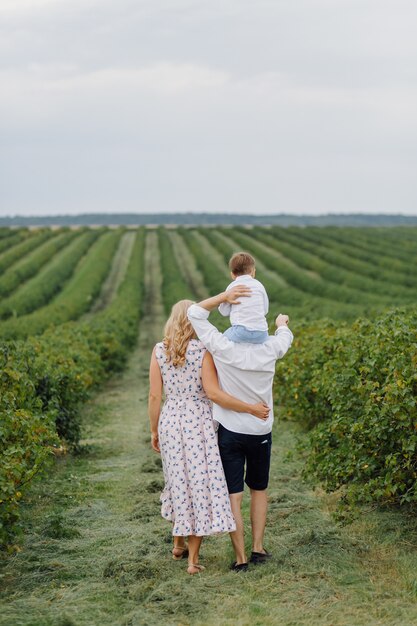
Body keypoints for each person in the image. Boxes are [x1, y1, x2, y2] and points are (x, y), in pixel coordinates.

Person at [148, 299, 272, 575]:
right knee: (198, 486)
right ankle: (192, 560)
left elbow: (155, 395)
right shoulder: (202, 351)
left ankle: (177, 544)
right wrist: (250, 407)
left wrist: (154, 429)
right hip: (198, 424)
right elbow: (214, 394)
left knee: (177, 481)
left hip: (170, 421)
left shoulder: (159, 350)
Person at [187, 286, 293, 571]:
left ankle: (240, 558)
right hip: (260, 430)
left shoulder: (222, 345)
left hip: (230, 430)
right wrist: (281, 324)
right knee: (259, 489)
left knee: (234, 493)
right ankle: (258, 548)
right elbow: (286, 337)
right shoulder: (272, 346)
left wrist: (223, 297)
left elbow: (194, 312)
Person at [219, 251, 269, 344]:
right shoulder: (259, 285)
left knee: (220, 341)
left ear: (232, 274)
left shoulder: (232, 287)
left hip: (241, 332)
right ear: (253, 271)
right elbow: (265, 310)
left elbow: (224, 312)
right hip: (262, 333)